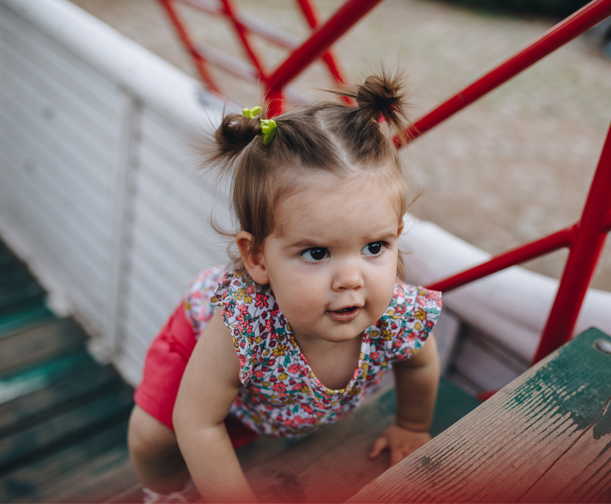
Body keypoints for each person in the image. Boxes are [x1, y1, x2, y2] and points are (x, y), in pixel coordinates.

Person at [126, 70, 443, 503]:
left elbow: (419, 367)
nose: (352, 279)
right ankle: (161, 494)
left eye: (374, 246)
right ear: (257, 258)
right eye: (316, 253)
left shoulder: (396, 313)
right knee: (153, 439)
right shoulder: (244, 323)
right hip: (199, 346)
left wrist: (411, 424)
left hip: (272, 397)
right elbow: (197, 422)